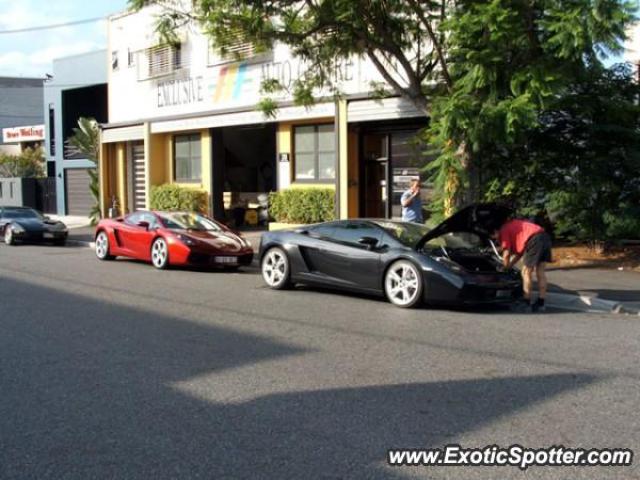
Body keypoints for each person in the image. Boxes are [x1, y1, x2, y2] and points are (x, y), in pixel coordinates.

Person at [491, 218, 553, 312]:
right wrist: (510, 265)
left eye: (493, 236)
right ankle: (541, 303)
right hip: (545, 237)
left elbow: (506, 254)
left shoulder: (504, 230)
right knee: (540, 272)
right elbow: (519, 254)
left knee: (525, 272)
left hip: (534, 240)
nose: (495, 239)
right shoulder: (514, 226)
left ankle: (526, 302)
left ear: (496, 230)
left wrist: (505, 268)